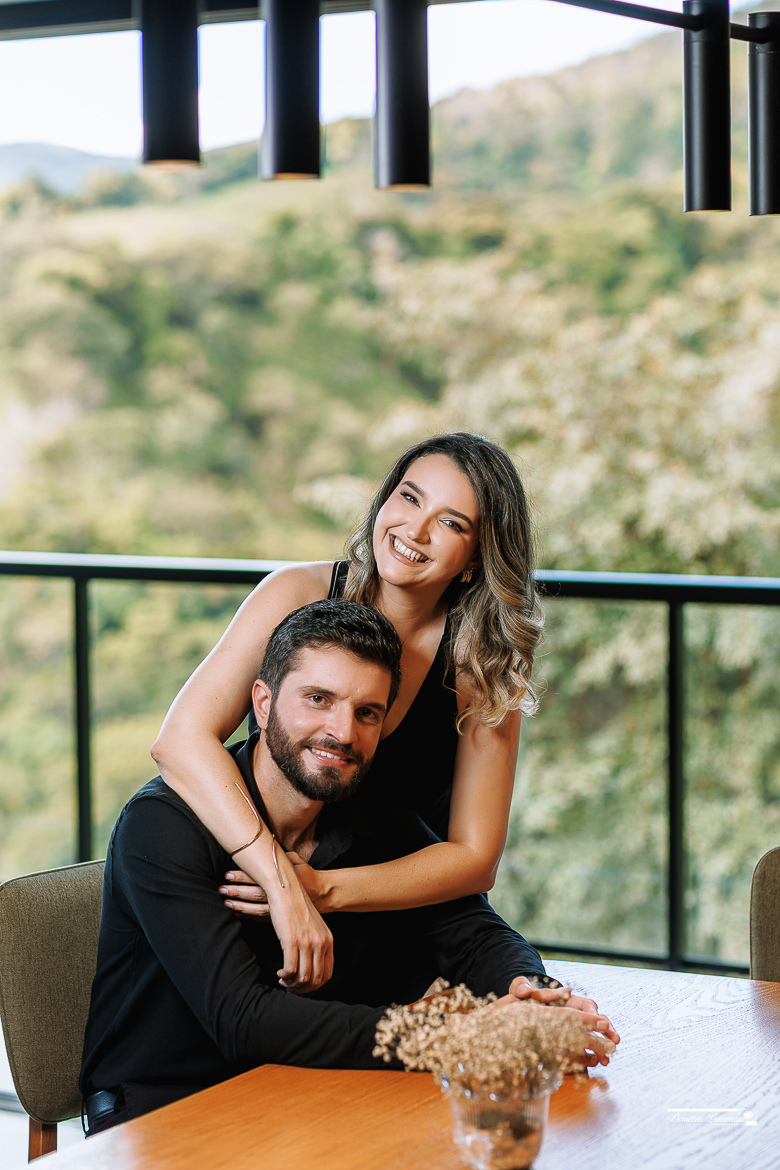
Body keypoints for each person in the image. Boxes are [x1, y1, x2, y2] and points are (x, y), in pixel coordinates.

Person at [81, 602, 618, 1133]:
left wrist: (533, 996)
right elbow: (243, 1020)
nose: (342, 732)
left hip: (307, 1095)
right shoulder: (163, 824)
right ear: (263, 704)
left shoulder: (363, 804)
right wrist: (460, 1035)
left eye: (367, 713)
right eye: (318, 699)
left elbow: (472, 930)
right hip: (162, 1116)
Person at [152, 433, 545, 992]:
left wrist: (323, 890)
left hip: (400, 935)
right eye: (409, 497)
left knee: (530, 996)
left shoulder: (481, 661)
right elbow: (180, 740)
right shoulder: (295, 594)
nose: (415, 531)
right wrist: (280, 881)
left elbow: (476, 859)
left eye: (451, 522)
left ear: (478, 555)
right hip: (262, 910)